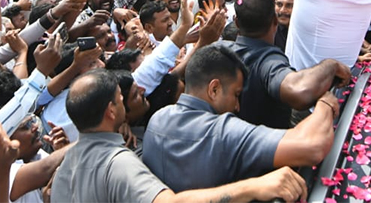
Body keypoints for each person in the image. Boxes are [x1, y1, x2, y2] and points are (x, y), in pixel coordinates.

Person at [49, 69, 307, 203]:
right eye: (120, 97)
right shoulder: (118, 163)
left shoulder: (63, 171)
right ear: (111, 111)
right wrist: (254, 187)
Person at [142, 43, 336, 191]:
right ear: (214, 89)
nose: (237, 106)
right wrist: (325, 103)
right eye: (236, 94)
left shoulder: (156, 120)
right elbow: (312, 146)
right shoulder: (223, 131)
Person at [229, 0, 350, 129]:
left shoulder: (218, 50)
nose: (283, 10)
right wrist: (331, 65)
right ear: (275, 20)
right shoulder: (269, 63)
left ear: (236, 22)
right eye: (279, 5)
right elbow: (300, 92)